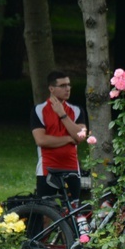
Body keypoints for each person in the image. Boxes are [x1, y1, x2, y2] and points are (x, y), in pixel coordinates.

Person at [31, 70, 87, 203]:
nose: (67, 89)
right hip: (47, 168)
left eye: (69, 85)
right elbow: (41, 140)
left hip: (72, 168)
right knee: (46, 212)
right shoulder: (39, 110)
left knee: (72, 211)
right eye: (62, 86)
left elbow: (80, 136)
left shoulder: (76, 110)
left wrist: (63, 115)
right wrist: (68, 138)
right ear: (51, 89)